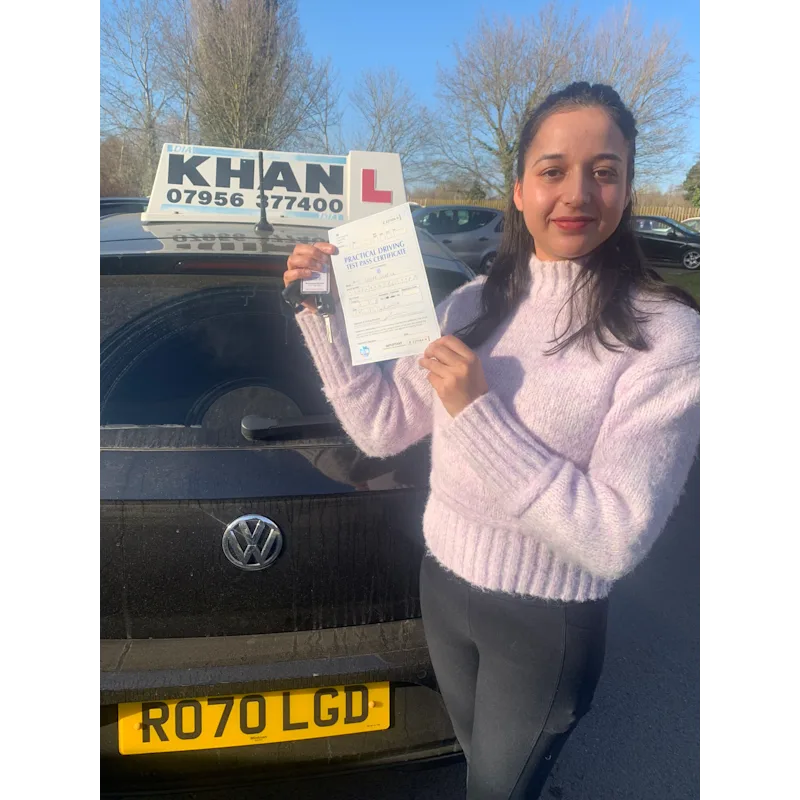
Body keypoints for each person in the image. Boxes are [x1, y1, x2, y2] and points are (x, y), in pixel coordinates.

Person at [283, 82, 700, 800]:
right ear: (518, 190)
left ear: (628, 190)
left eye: (604, 171)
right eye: (552, 170)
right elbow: (381, 427)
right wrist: (318, 313)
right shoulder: (471, 302)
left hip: (543, 623)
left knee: (496, 790)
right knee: (485, 769)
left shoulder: (667, 336)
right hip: (444, 586)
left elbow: (616, 539)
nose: (577, 192)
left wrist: (477, 414)